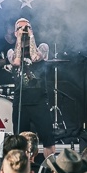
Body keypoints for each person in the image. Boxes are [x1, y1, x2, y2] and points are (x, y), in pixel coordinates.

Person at [7, 17, 56, 155]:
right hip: (21, 102)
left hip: (39, 101)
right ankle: (22, 166)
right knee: (19, 141)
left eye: (27, 27)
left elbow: (35, 57)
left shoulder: (43, 47)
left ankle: (50, 166)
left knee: (48, 139)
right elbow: (16, 62)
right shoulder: (11, 52)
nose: (24, 30)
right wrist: (19, 39)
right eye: (20, 28)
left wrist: (30, 36)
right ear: (15, 32)